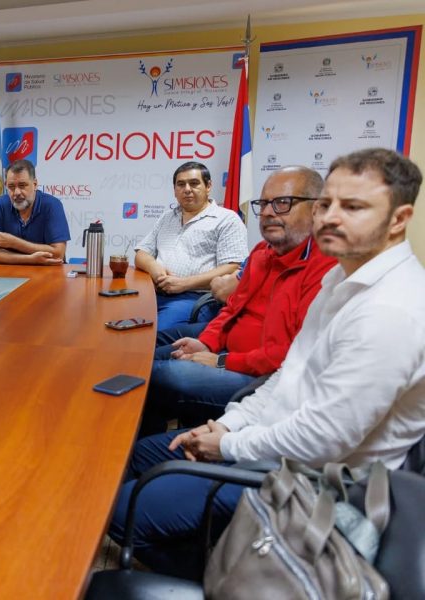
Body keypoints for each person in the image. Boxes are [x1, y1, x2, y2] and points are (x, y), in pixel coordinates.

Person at [109, 148, 425, 577]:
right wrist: (229, 425)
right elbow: (286, 376)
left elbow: (323, 440)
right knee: (140, 455)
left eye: (352, 207)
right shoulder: (341, 279)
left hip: (308, 485)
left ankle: (237, 578)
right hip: (265, 441)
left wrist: (227, 445)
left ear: (399, 219)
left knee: (122, 510)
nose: (330, 217)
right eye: (327, 204)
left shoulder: (391, 310)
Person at [141, 166, 336, 435]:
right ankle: (144, 442)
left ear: (318, 209)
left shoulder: (327, 268)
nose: (268, 212)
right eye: (263, 204)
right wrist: (207, 342)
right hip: (227, 350)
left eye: (282, 203)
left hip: (259, 379)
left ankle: (142, 450)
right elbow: (232, 309)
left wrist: (222, 361)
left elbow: (291, 356)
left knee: (153, 375)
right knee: (141, 358)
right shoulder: (262, 252)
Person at [135, 161, 249, 330]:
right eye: (181, 184)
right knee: (115, 318)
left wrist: (184, 283)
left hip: (194, 298)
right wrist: (155, 269)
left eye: (194, 183)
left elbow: (233, 267)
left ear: (208, 186)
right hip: (154, 292)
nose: (187, 189)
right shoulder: (167, 217)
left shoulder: (227, 219)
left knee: (155, 334)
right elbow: (142, 253)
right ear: (175, 190)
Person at [0, 159, 69, 265]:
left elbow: (58, 254)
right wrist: (30, 259)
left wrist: (14, 243)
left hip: (48, 272)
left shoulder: (52, 205)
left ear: (35, 184)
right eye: (11, 187)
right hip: (10, 272)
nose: (17, 192)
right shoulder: (0, 205)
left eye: (22, 185)